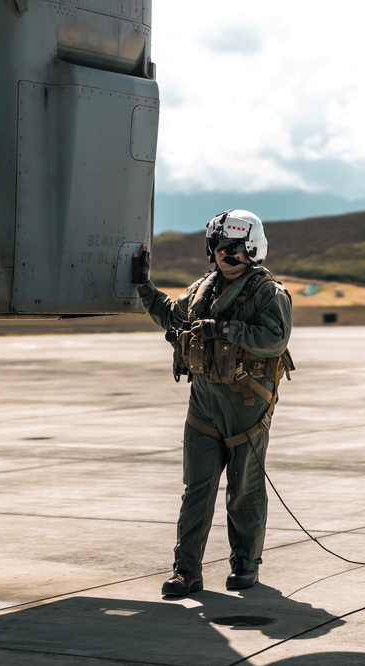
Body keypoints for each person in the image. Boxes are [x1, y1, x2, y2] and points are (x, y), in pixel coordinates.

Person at [131, 209, 293, 597]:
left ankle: (245, 564)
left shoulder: (269, 293)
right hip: (203, 406)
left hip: (246, 410)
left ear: (251, 249)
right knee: (196, 491)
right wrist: (143, 286)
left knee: (244, 491)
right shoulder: (203, 289)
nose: (226, 254)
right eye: (220, 247)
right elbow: (172, 314)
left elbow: (275, 339)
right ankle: (186, 570)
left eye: (235, 248)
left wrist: (224, 329)